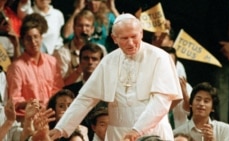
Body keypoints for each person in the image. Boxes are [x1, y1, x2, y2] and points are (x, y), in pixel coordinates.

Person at [49, 13, 182, 141]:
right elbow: (85, 99)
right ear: (114, 38)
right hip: (118, 133)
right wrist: (61, 128)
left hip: (152, 131)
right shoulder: (108, 61)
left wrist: (137, 130)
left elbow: (162, 101)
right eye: (124, 38)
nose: (130, 43)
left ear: (141, 33)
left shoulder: (159, 57)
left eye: (134, 36)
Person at [6, 13, 64, 121]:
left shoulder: (52, 61)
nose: (33, 42)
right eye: (28, 39)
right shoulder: (17, 67)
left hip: (52, 117)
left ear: (41, 38)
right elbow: (14, 100)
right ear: (23, 41)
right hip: (28, 120)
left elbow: (58, 90)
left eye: (36, 37)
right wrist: (29, 104)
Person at [53, 9, 107, 86]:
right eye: (80, 26)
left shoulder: (101, 50)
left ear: (92, 29)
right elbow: (61, 84)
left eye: (87, 26)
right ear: (74, 28)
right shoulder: (62, 53)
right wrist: (79, 70)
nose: (84, 30)